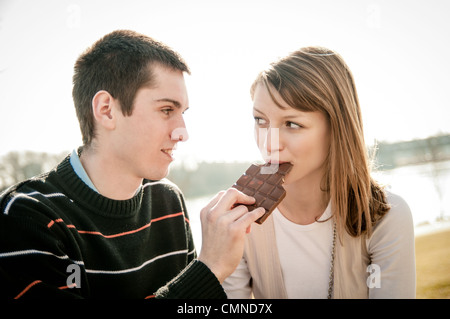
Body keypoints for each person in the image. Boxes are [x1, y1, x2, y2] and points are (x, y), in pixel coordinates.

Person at [0, 30, 264, 299]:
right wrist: (209, 269)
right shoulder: (27, 217)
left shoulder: (167, 201)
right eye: (166, 110)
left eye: (181, 113)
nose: (183, 133)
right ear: (106, 110)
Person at [223, 46, 416, 299]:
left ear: (337, 127)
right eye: (260, 120)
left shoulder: (384, 215)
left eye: (292, 124)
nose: (269, 143)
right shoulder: (238, 219)